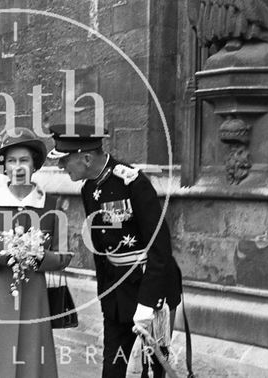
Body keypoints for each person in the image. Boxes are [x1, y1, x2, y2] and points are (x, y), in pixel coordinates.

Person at [47, 123, 183, 378]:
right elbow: (101, 248)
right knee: (112, 368)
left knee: (152, 370)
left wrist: (148, 302)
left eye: (64, 160)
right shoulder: (89, 188)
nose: (60, 167)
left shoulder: (132, 182)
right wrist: (105, 294)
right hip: (117, 292)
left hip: (149, 286)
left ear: (86, 158)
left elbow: (160, 246)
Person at [0, 128, 72, 378]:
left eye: (24, 160)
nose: (18, 167)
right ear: (4, 167)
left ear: (34, 166)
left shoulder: (51, 206)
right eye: (11, 161)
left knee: (31, 357)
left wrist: (39, 257)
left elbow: (65, 255)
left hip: (33, 296)